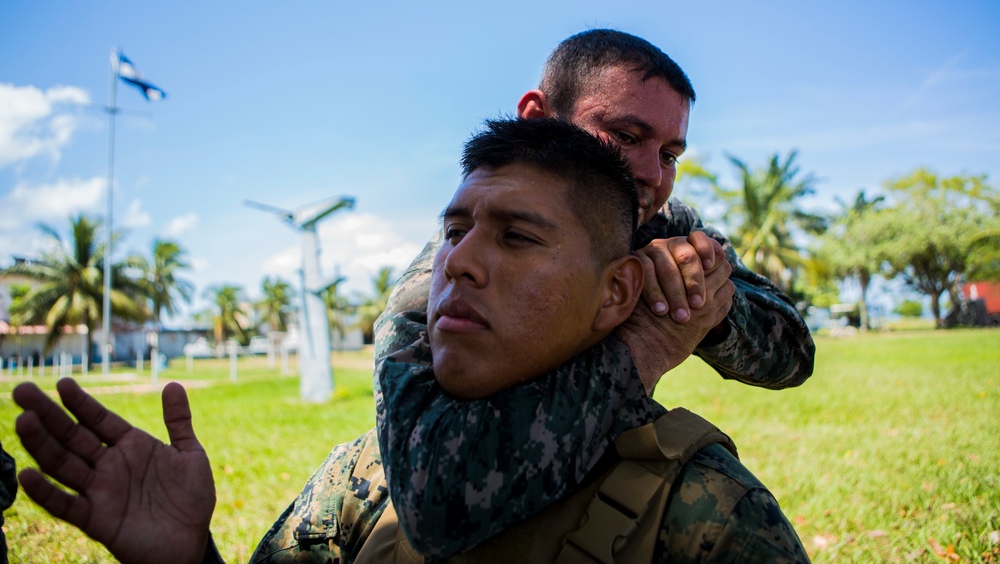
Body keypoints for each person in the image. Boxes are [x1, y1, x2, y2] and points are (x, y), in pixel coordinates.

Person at [12, 118, 809, 563]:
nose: (459, 263)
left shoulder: (706, 515)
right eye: (455, 231)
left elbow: (789, 346)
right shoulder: (367, 472)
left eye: (517, 238)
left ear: (618, 290)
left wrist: (691, 297)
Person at [373, 29, 815, 556]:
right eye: (626, 137)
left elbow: (792, 354)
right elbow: (439, 499)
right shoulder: (449, 271)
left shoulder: (664, 226)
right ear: (537, 118)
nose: (652, 175)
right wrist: (646, 340)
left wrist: (701, 299)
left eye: (671, 154)